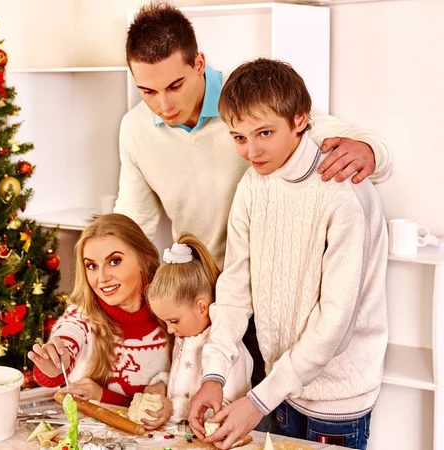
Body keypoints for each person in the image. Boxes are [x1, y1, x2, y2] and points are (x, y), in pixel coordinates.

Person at [187, 58, 388, 450]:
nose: (251, 151)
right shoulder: (252, 185)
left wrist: (258, 399)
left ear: (300, 120)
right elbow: (234, 290)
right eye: (239, 137)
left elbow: (335, 324)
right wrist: (214, 376)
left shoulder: (341, 194)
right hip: (281, 393)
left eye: (264, 132)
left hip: (335, 404)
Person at [115, 3, 392, 269]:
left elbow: (333, 135)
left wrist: (368, 150)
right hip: (196, 292)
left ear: (199, 64)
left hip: (268, 282)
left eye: (175, 86)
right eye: (148, 91)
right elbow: (133, 224)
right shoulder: (135, 129)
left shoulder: (246, 95)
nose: (164, 106)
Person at [27, 214, 172, 407]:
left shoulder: (173, 316)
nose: (101, 278)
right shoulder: (80, 316)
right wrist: (54, 363)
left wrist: (103, 395)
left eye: (114, 261)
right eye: (92, 266)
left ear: (145, 259)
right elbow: (67, 339)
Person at [140, 233, 253, 430]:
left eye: (173, 320)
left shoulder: (229, 350)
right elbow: (183, 380)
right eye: (165, 321)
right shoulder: (185, 338)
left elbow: (224, 409)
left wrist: (172, 408)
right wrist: (162, 385)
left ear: (202, 307)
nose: (169, 329)